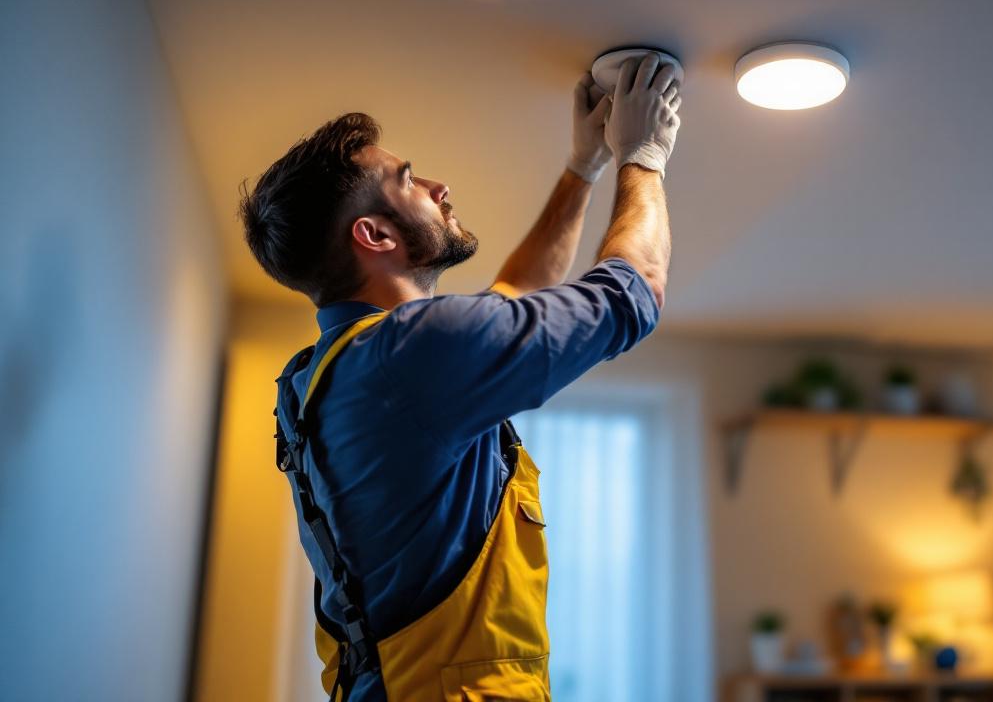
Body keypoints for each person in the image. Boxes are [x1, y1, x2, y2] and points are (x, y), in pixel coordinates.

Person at [237, 53, 680, 701]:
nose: (438, 187)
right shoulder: (409, 356)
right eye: (409, 180)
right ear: (375, 234)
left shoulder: (321, 377)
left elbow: (512, 294)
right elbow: (633, 294)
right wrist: (645, 155)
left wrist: (583, 168)